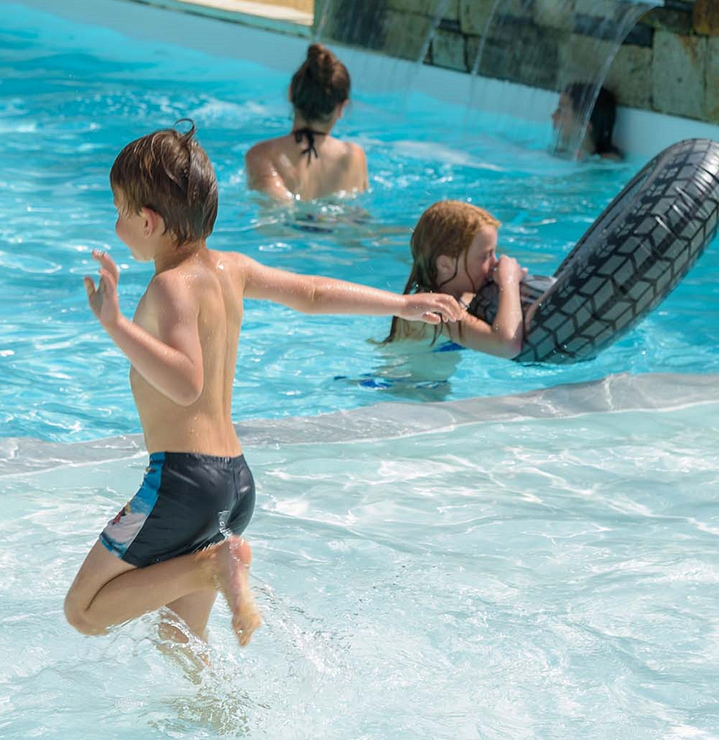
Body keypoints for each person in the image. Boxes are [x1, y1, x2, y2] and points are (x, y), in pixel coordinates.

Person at [65, 122, 464, 649]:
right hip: (233, 482)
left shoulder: (169, 287)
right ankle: (217, 725)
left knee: (85, 612)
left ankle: (211, 569)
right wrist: (403, 303)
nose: (117, 225)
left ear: (148, 220)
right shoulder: (232, 268)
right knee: (179, 639)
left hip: (182, 482)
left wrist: (116, 325)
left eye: (119, 211)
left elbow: (187, 382)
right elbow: (315, 293)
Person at [381, 200, 530, 360]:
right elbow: (506, 346)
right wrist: (509, 281)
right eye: (485, 256)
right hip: (400, 383)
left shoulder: (462, 298)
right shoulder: (433, 309)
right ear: (445, 265)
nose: (495, 263)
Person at [246, 43, 369, 202]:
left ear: (291, 93)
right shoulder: (355, 157)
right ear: (341, 107)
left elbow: (276, 210)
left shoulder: (261, 155)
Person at [551, 83, 623, 162]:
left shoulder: (606, 162)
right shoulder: (559, 152)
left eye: (561, 110)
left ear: (584, 123)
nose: (553, 115)